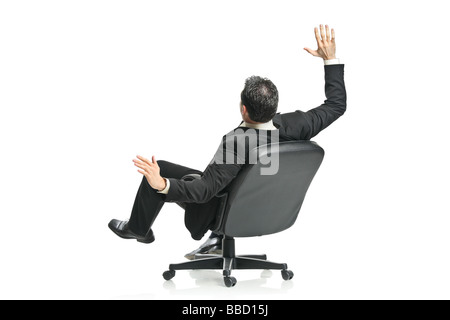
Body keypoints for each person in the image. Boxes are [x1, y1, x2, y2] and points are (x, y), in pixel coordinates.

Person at [108, 25, 346, 259]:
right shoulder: (295, 125)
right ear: (273, 105)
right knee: (168, 167)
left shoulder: (237, 144)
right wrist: (330, 59)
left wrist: (162, 185)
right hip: (271, 209)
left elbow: (203, 192)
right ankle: (205, 239)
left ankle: (138, 229)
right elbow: (336, 105)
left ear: (243, 109)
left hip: (227, 212)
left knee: (159, 176)